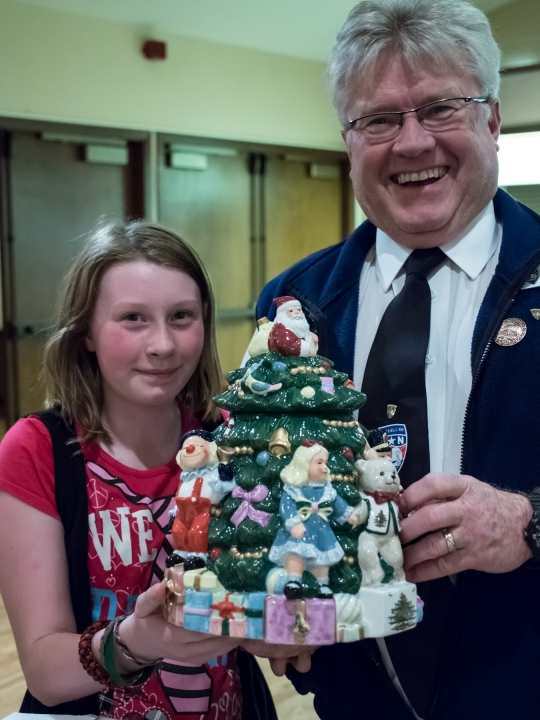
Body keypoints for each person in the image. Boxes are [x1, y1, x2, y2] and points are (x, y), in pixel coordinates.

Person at [252, 0, 540, 718]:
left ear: (492, 119)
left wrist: (531, 522)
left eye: (442, 108)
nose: (412, 143)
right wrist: (264, 594)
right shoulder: (293, 304)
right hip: (358, 696)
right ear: (348, 139)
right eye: (378, 120)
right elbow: (264, 483)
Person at [0, 222, 276, 720]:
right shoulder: (37, 450)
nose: (163, 345)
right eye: (133, 319)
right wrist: (137, 639)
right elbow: (44, 671)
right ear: (85, 332)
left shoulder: (234, 439)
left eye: (182, 316)